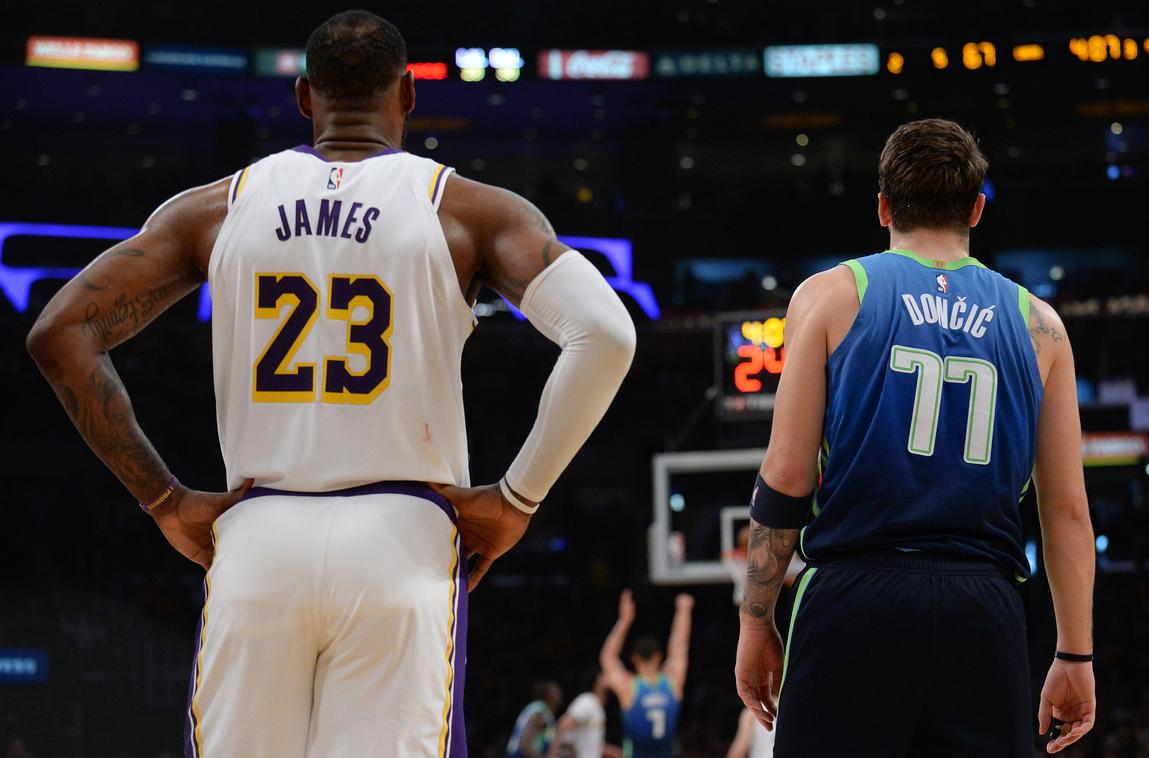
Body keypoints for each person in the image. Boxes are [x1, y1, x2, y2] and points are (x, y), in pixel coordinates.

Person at [26, 11, 635, 757]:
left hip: (258, 538)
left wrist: (163, 498)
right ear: (409, 94)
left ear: (303, 97)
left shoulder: (216, 209)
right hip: (403, 538)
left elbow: (59, 331)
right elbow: (606, 335)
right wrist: (516, 500)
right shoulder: (467, 210)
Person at [732, 118, 1097, 757]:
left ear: (882, 207)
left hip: (853, 596)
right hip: (983, 607)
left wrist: (756, 618)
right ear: (977, 210)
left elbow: (787, 477)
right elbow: (1065, 510)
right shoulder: (1041, 325)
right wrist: (1075, 651)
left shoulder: (828, 296)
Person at [601, 590, 693, 757]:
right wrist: (683, 610)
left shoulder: (629, 687)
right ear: (659, 656)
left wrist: (624, 620)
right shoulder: (672, 682)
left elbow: (607, 657)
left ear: (634, 658)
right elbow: (680, 646)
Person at [551, 669, 619, 758]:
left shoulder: (597, 707)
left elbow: (591, 743)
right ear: (596, 684)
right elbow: (563, 725)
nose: (609, 677)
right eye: (604, 675)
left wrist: (610, 751)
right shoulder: (587, 700)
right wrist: (552, 754)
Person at [507, 681, 563, 758]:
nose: (559, 694)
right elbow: (525, 744)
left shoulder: (541, 710)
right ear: (549, 695)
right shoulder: (540, 712)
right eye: (556, 691)